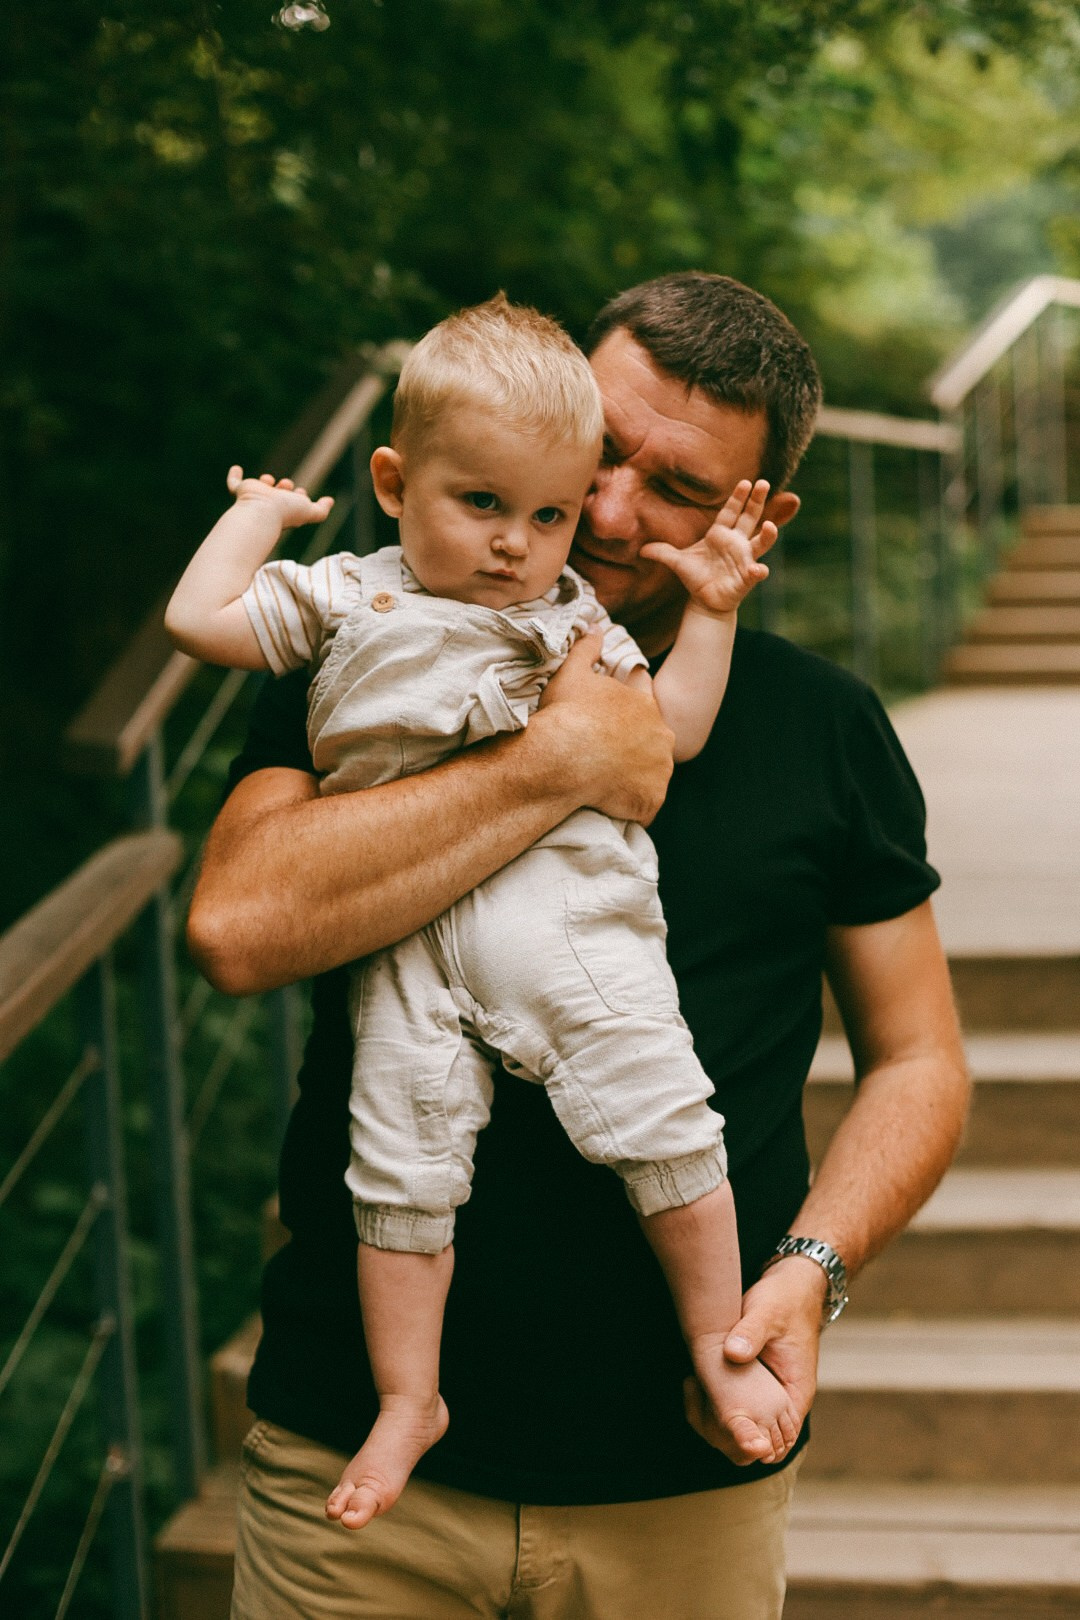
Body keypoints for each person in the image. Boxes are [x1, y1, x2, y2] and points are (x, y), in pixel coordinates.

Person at [189, 272, 970, 1620]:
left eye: (675, 487)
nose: (605, 512)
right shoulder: (378, 653)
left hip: (680, 1482)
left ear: (757, 515)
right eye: (600, 449)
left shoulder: (824, 727)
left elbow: (919, 1062)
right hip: (357, 1478)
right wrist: (550, 766)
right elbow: (239, 929)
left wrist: (814, 1270)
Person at [166, 295, 801, 1531]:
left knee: (659, 1108)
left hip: (555, 915)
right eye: (486, 505)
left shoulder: (569, 615)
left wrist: (711, 615)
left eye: (550, 514)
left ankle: (717, 1340)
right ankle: (411, 1401)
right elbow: (199, 623)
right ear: (394, 483)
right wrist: (252, 523)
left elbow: (664, 735)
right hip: (398, 942)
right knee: (398, 1168)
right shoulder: (346, 594)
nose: (524, 542)